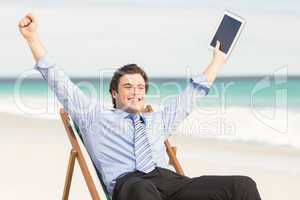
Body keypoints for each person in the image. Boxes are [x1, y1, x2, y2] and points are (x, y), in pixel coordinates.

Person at [19, 13, 261, 200]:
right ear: (114, 93)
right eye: (128, 86)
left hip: (171, 183)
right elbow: (58, 81)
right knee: (142, 188)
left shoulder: (159, 120)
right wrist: (32, 38)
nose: (136, 92)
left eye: (140, 87)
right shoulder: (94, 116)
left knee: (243, 185)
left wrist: (217, 61)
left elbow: (193, 93)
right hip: (131, 184)